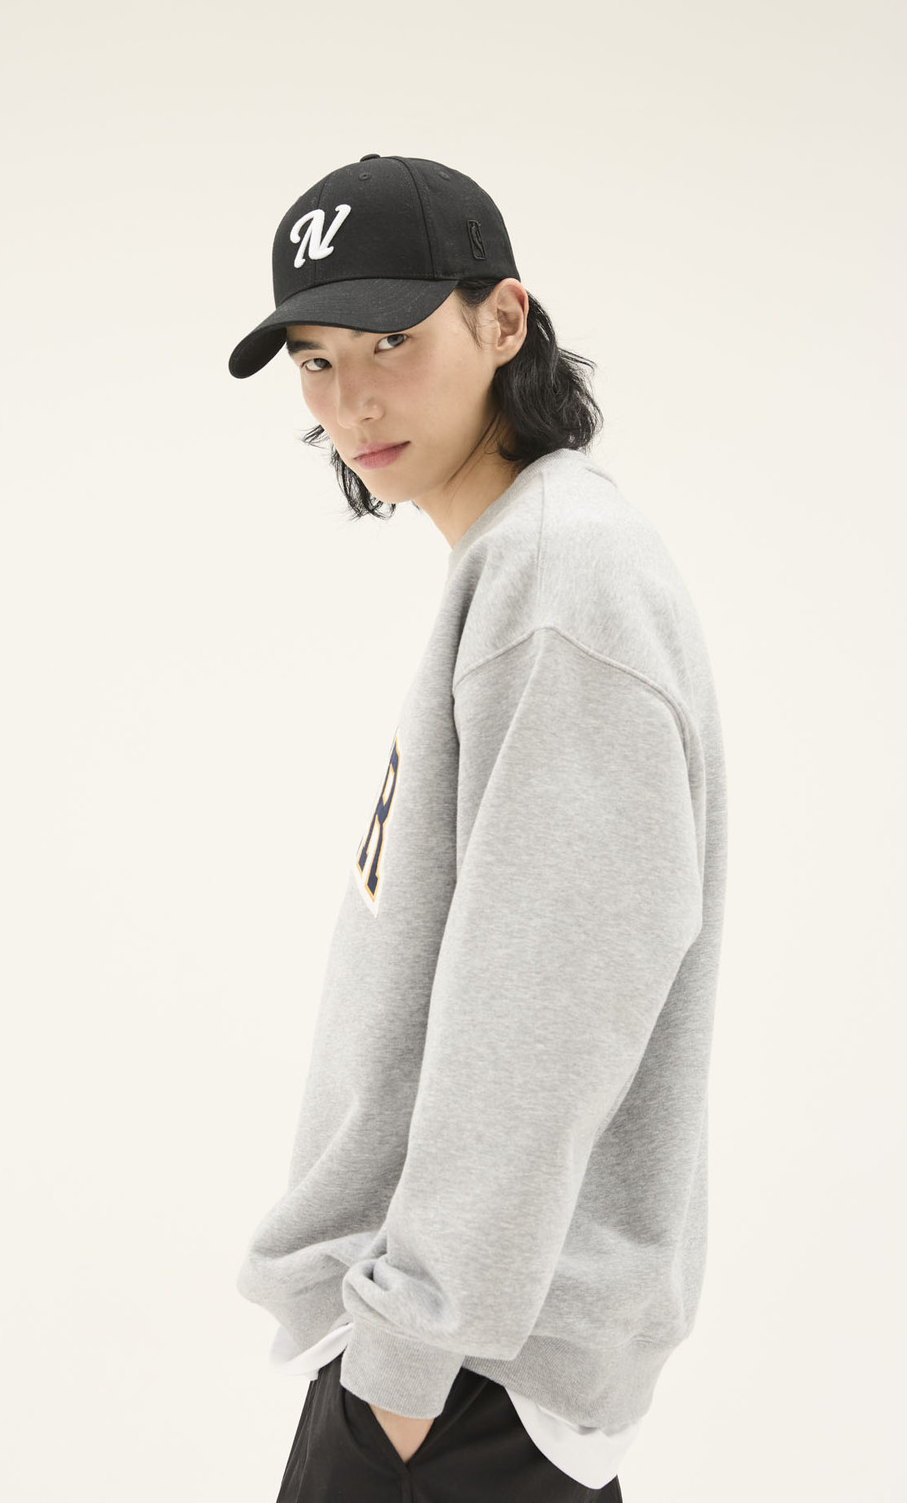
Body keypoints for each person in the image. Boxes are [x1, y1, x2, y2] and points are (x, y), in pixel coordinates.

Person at [227, 154, 728, 1501]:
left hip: (459, 1382)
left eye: (390, 341)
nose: (352, 399)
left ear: (505, 320)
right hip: (463, 1364)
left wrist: (405, 1366)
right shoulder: (524, 560)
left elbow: (548, 1004)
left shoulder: (563, 577)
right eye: (316, 360)